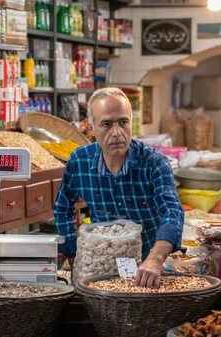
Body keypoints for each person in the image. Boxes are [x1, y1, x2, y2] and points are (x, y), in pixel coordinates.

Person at [54, 87, 184, 288]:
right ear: (92, 128)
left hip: (148, 268)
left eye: (123, 122)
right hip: (100, 267)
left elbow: (172, 212)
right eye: (106, 124)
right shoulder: (79, 161)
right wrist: (72, 252)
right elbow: (63, 207)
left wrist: (155, 259)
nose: (117, 133)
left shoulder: (154, 163)